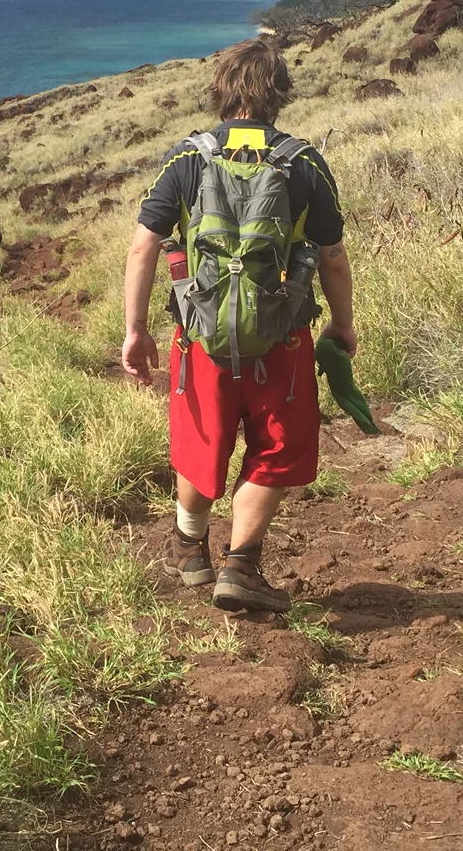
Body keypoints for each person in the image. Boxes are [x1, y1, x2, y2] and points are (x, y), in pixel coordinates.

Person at [121, 38, 356, 614]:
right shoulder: (303, 162)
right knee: (275, 449)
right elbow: (332, 257)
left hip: (199, 339)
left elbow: (143, 247)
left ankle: (190, 551)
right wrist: (343, 325)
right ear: (278, 93)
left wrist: (135, 330)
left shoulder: (187, 159)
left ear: (220, 90)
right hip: (283, 338)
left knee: (202, 443)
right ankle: (242, 567)